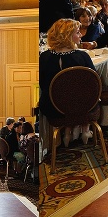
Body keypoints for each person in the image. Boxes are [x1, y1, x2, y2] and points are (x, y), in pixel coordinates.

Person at [39, 18, 97, 146]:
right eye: (77, 32)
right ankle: (84, 129)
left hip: (54, 108)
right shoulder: (83, 57)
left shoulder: (44, 57)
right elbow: (94, 84)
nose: (81, 35)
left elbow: (43, 85)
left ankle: (66, 134)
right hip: (83, 107)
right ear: (67, 37)